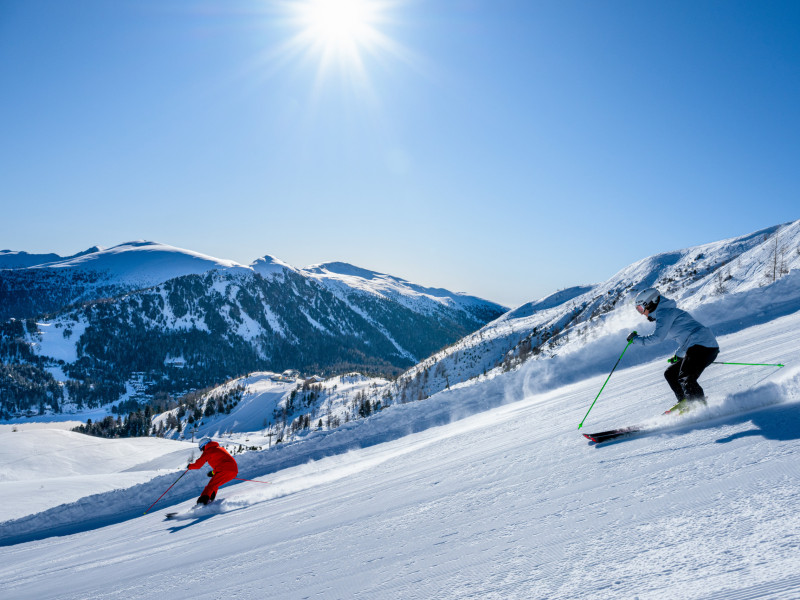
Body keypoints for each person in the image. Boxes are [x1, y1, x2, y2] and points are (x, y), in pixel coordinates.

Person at [626, 288, 719, 413]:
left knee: (686, 377)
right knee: (671, 373)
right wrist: (678, 355)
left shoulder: (664, 313)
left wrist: (636, 339)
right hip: (699, 345)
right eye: (638, 310)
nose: (642, 313)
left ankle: (699, 408)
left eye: (641, 309)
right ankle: (685, 401)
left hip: (703, 346)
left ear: (651, 303)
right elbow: (687, 337)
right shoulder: (665, 313)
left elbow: (657, 338)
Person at [187, 437, 238, 505]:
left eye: (202, 449)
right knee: (214, 485)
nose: (202, 451)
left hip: (225, 470)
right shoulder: (219, 448)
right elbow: (221, 463)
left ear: (204, 446)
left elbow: (198, 465)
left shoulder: (208, 451)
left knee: (211, 485)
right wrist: (213, 472)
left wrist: (190, 466)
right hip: (233, 471)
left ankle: (202, 502)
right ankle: (209, 500)